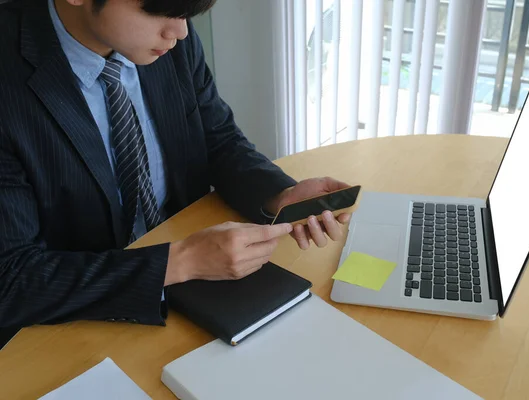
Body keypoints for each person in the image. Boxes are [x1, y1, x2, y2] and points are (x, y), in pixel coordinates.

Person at [0, 0, 352, 333]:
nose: (181, 32)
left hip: (198, 286)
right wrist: (180, 262)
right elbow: (11, 279)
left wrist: (280, 194)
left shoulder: (166, 34)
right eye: (160, 11)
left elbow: (217, 137)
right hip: (73, 319)